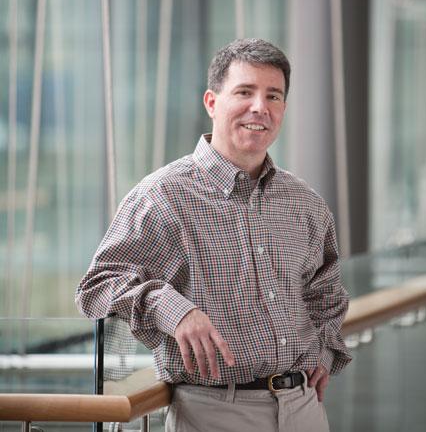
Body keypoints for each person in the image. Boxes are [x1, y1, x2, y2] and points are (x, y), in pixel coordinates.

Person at [76, 38, 351, 432]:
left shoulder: (303, 202)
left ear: (283, 110)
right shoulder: (162, 196)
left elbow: (326, 294)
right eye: (244, 92)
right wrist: (175, 310)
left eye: (273, 96)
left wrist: (323, 354)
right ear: (211, 102)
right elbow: (96, 287)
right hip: (211, 414)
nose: (260, 107)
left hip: (304, 409)